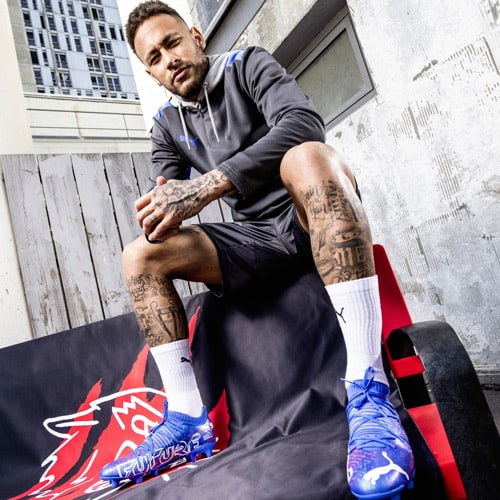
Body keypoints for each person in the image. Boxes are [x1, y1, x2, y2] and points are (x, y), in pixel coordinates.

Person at [99, 1, 414, 498]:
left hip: (308, 213)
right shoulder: (165, 124)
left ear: (197, 36)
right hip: (256, 241)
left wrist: (207, 185)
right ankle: (186, 420)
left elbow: (303, 123)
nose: (168, 59)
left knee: (307, 156)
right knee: (139, 255)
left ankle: (369, 389)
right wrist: (161, 210)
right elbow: (169, 194)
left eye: (172, 42)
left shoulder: (247, 64)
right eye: (154, 58)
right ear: (151, 73)